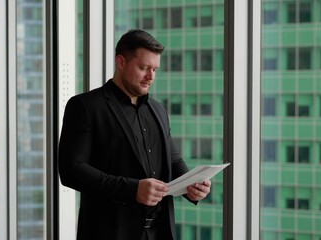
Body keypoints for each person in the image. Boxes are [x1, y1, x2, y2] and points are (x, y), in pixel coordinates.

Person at [58, 29, 211, 240]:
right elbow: (71, 171)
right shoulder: (84, 106)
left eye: (155, 69)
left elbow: (171, 159)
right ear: (121, 62)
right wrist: (132, 189)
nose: (151, 76)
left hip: (161, 233)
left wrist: (191, 186)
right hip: (109, 233)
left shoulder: (158, 110)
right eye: (144, 68)